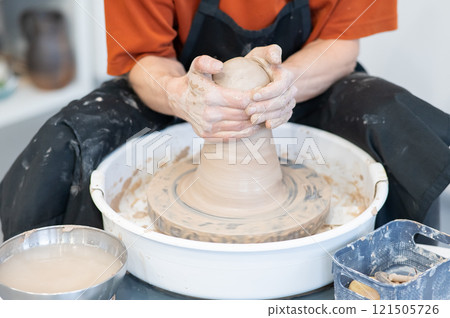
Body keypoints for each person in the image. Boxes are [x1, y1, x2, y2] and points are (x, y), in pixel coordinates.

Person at [0, 0, 449, 241]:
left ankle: (389, 270)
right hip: (179, 90)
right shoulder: (179, 92)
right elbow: (144, 57)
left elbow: (342, 43)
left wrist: (287, 81)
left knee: (394, 119)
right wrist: (182, 96)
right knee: (72, 139)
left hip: (302, 85)